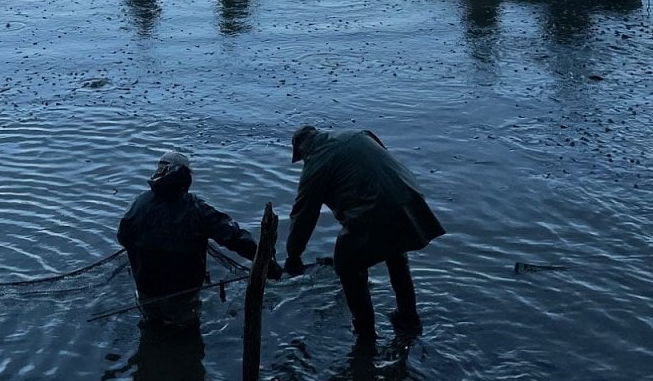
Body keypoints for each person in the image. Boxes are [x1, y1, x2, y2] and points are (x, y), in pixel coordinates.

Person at [283, 126, 444, 343]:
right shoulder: (358, 134)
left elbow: (303, 215)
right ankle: (409, 318)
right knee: (396, 252)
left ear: (302, 149)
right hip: (408, 195)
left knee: (347, 266)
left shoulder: (316, 163)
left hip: (373, 210)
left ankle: (365, 334)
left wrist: (293, 256)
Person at [116, 151, 277, 327]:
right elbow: (234, 237)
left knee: (152, 327)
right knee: (185, 332)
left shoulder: (138, 203)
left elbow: (122, 237)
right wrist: (268, 264)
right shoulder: (195, 208)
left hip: (146, 291)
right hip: (183, 296)